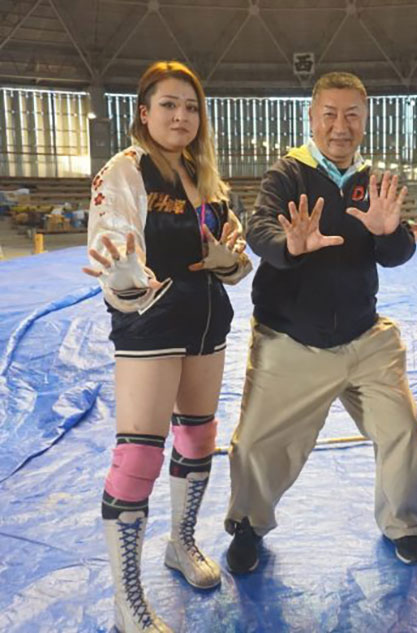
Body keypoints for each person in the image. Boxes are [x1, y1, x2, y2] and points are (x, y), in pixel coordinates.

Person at [223, 71, 417, 573]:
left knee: (401, 428)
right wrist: (291, 245)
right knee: (256, 444)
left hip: (364, 336)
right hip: (292, 339)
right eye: (330, 114)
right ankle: (247, 526)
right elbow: (260, 229)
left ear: (365, 120)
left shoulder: (372, 182)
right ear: (312, 118)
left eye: (352, 115)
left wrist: (389, 232)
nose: (341, 126)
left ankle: (403, 524)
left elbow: (397, 251)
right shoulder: (287, 174)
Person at [84, 61, 251, 633]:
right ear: (143, 112)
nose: (181, 116)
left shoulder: (206, 179)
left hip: (206, 321)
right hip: (150, 322)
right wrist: (125, 274)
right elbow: (114, 246)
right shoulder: (125, 170)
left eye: (191, 107)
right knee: (138, 456)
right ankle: (127, 601)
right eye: (169, 105)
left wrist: (231, 261)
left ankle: (181, 543)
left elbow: (233, 256)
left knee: (199, 437)